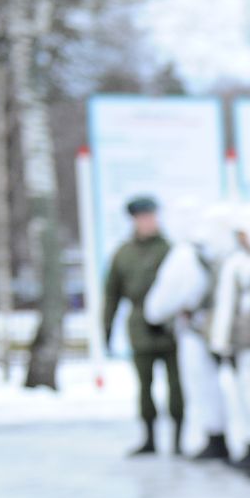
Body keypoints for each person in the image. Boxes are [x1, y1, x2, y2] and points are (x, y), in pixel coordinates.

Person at [141, 200, 232, 461]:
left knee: (201, 386)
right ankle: (218, 436)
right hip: (213, 328)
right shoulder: (216, 250)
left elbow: (159, 303)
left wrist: (157, 315)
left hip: (193, 329)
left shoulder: (185, 254)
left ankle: (215, 437)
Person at [101, 195, 184, 456]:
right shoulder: (123, 254)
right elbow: (112, 294)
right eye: (143, 217)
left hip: (170, 327)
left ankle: (178, 439)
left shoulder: (171, 250)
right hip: (139, 327)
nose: (148, 222)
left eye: (151, 216)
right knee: (144, 387)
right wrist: (106, 329)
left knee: (176, 387)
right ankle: (149, 437)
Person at [208, 203, 250, 476]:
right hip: (241, 344)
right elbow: (225, 306)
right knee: (247, 401)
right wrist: (222, 342)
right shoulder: (235, 265)